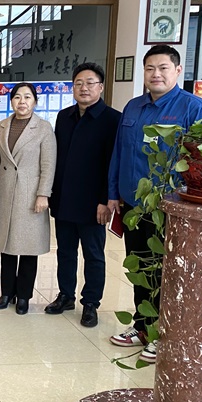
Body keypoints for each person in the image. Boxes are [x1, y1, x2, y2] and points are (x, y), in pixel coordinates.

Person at [107, 44, 202, 364]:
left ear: (178, 71)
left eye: (163, 68)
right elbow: (119, 152)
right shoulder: (133, 107)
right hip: (133, 205)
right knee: (139, 266)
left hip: (171, 208)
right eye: (150, 68)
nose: (156, 74)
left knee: (166, 272)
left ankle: (164, 334)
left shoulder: (194, 109)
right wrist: (113, 193)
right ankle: (143, 326)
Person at [46, 63, 121, 328]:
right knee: (65, 251)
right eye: (78, 83)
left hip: (93, 203)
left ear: (100, 87)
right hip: (64, 198)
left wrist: (105, 199)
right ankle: (66, 295)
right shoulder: (64, 117)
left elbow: (113, 163)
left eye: (90, 83)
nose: (84, 88)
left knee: (93, 254)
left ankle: (91, 303)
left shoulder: (112, 119)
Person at [0, 82, 56, 315]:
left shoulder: (43, 128)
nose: (22, 102)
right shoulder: (2, 126)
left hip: (30, 194)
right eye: (17, 97)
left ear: (35, 101)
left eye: (27, 97)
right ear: (11, 101)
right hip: (6, 191)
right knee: (6, 245)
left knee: (28, 247)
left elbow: (48, 164)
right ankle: (6, 293)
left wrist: (43, 194)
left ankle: (24, 296)